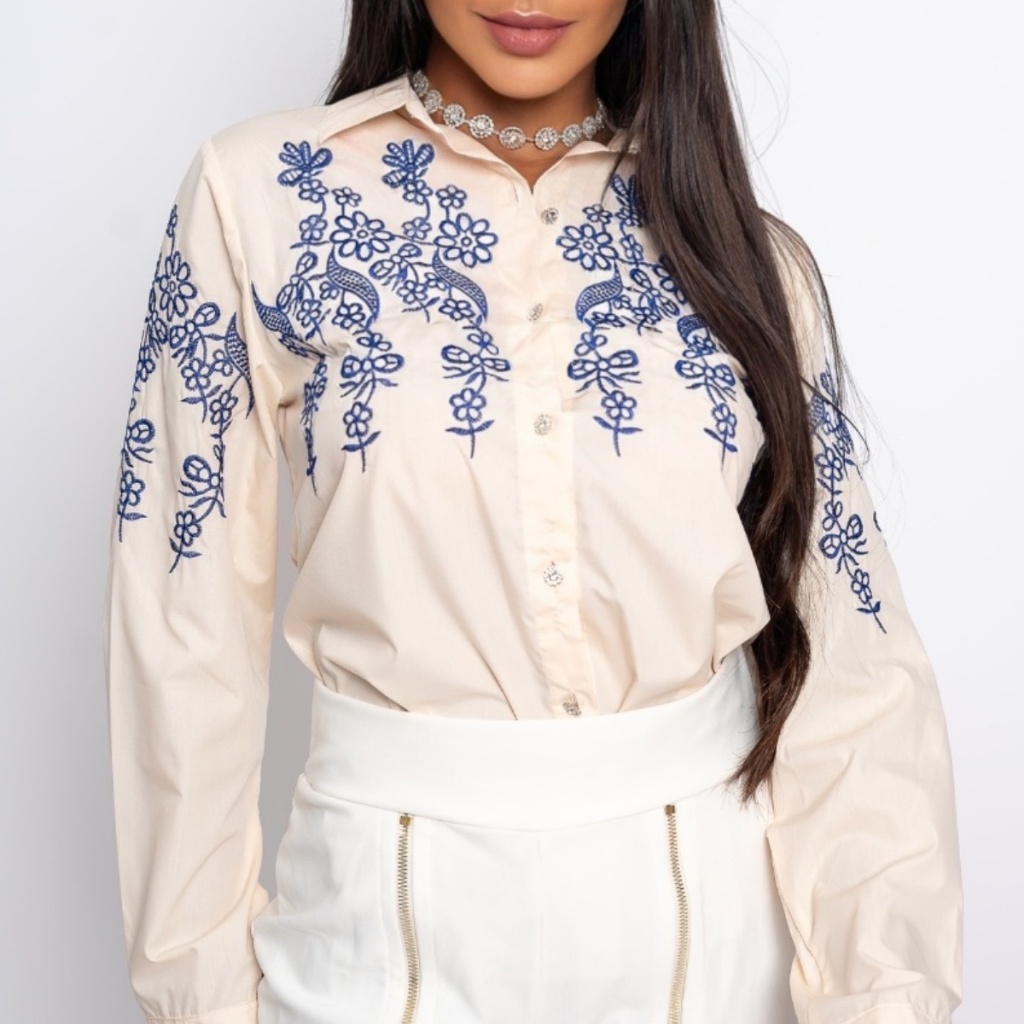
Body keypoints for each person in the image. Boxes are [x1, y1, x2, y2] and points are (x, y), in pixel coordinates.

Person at [103, 2, 963, 1022]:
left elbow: (851, 668)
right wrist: (201, 999)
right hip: (376, 939)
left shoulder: (746, 257)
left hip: (710, 947)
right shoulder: (261, 199)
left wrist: (884, 996)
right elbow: (183, 633)